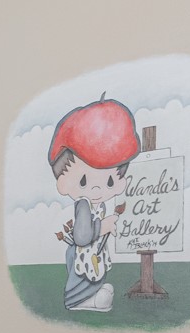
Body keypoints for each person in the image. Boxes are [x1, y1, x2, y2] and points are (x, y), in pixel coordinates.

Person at [48, 97, 140, 313]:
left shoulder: (96, 205)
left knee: (94, 274)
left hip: (91, 255)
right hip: (82, 254)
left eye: (109, 181)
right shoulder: (83, 205)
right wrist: (104, 226)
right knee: (82, 278)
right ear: (63, 181)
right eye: (83, 181)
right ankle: (78, 300)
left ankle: (93, 293)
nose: (97, 189)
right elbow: (82, 237)